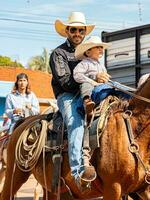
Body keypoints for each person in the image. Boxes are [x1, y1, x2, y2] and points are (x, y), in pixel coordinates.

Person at [50, 11, 110, 184]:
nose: (77, 34)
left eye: (81, 31)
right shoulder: (58, 53)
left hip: (92, 92)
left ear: (85, 33)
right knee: (75, 122)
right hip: (68, 95)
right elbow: (65, 82)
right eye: (74, 30)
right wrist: (93, 80)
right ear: (67, 31)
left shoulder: (90, 53)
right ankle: (78, 173)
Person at [74, 35, 111, 119]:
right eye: (97, 47)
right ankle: (87, 102)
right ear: (88, 52)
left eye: (101, 47)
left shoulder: (102, 66)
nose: (101, 49)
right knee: (85, 85)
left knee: (114, 85)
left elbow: (104, 76)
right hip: (90, 85)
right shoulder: (84, 63)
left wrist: (105, 80)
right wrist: (92, 80)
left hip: (101, 86)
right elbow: (77, 75)